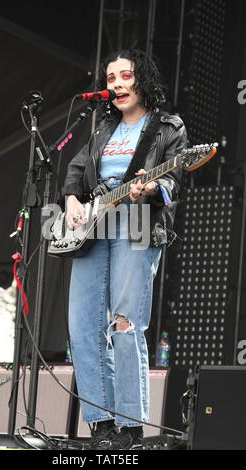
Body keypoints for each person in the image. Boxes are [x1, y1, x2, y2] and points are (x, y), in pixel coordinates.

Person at [63, 48, 187, 450]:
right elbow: (78, 168)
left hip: (136, 220)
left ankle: (130, 425)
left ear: (142, 79)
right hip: (95, 225)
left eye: (125, 76)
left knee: (125, 323)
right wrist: (71, 199)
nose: (116, 84)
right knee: (82, 326)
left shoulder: (167, 126)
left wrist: (152, 187)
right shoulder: (103, 127)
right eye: (111, 78)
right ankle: (101, 425)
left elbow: (175, 178)